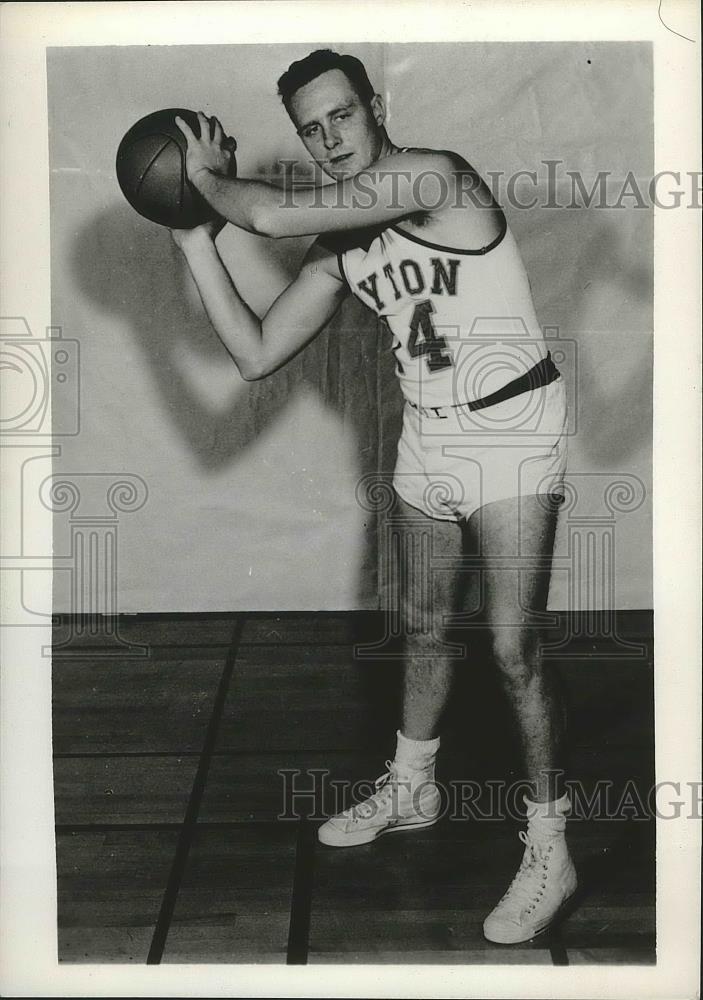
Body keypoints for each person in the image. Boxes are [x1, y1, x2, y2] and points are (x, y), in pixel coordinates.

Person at [171, 48, 577, 945]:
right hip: (427, 429)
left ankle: (550, 844)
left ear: (375, 106)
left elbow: (268, 210)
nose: (328, 138)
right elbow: (255, 353)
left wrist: (208, 179)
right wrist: (192, 233)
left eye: (341, 116)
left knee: (511, 649)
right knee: (425, 626)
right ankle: (412, 785)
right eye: (311, 127)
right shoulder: (342, 243)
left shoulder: (437, 177)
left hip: (511, 425)